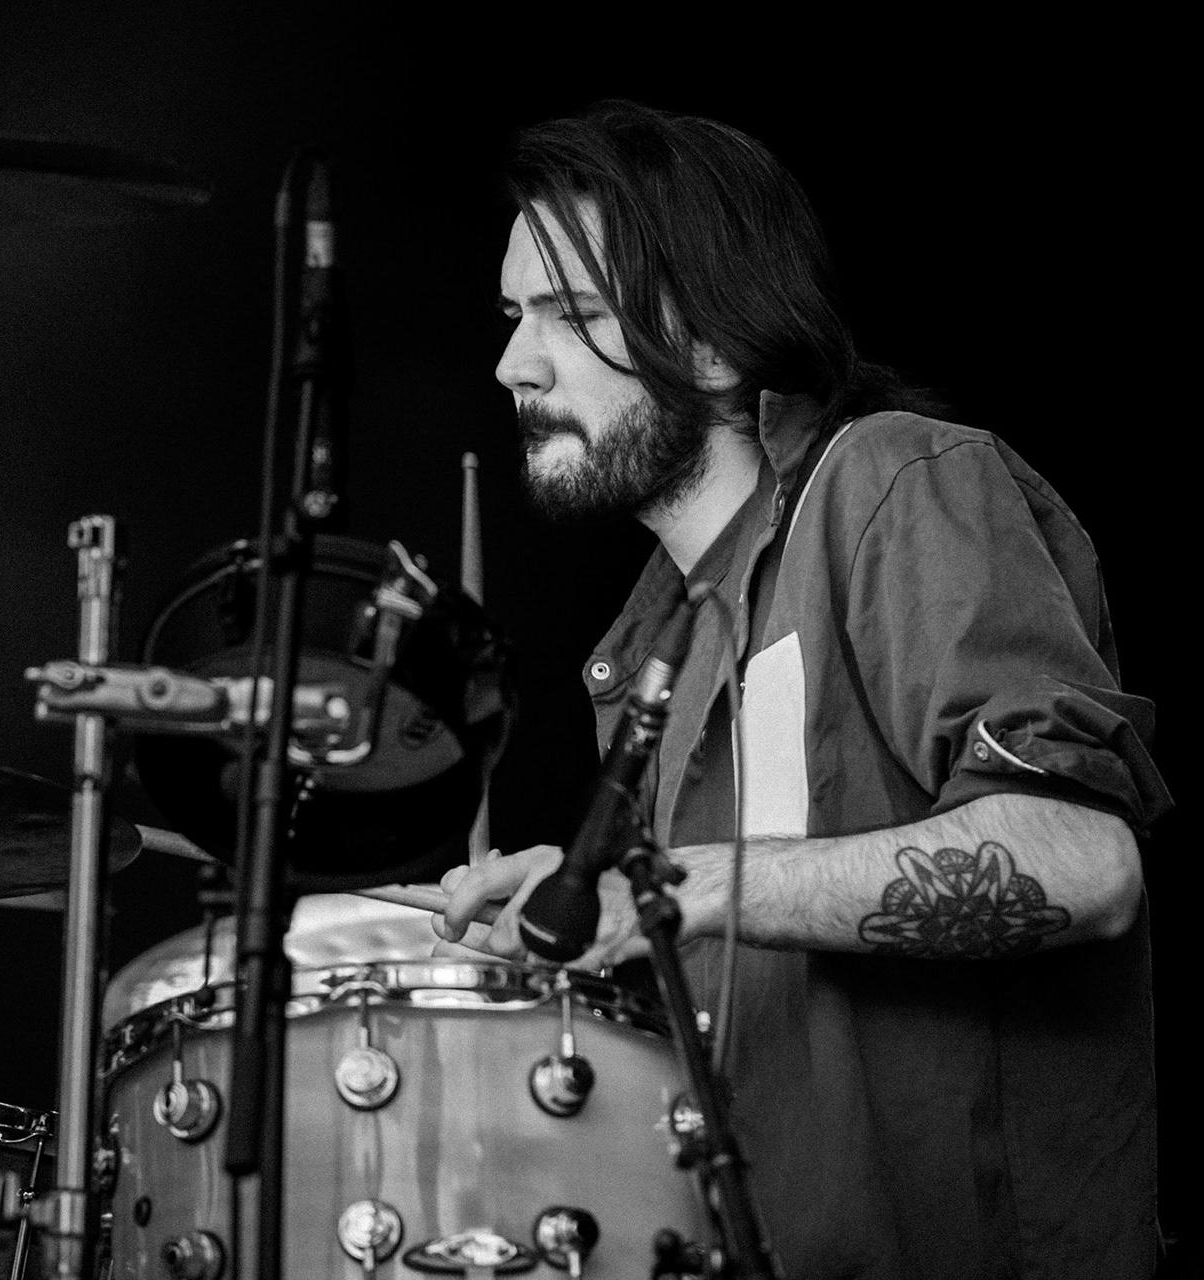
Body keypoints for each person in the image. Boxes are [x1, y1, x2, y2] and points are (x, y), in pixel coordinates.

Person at [434, 101, 1171, 1280]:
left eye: (570, 315)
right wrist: (585, 916)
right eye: (516, 315)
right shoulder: (653, 643)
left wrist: (667, 889)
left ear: (719, 344)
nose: (513, 362)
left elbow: (1082, 862)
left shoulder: (890, 487)